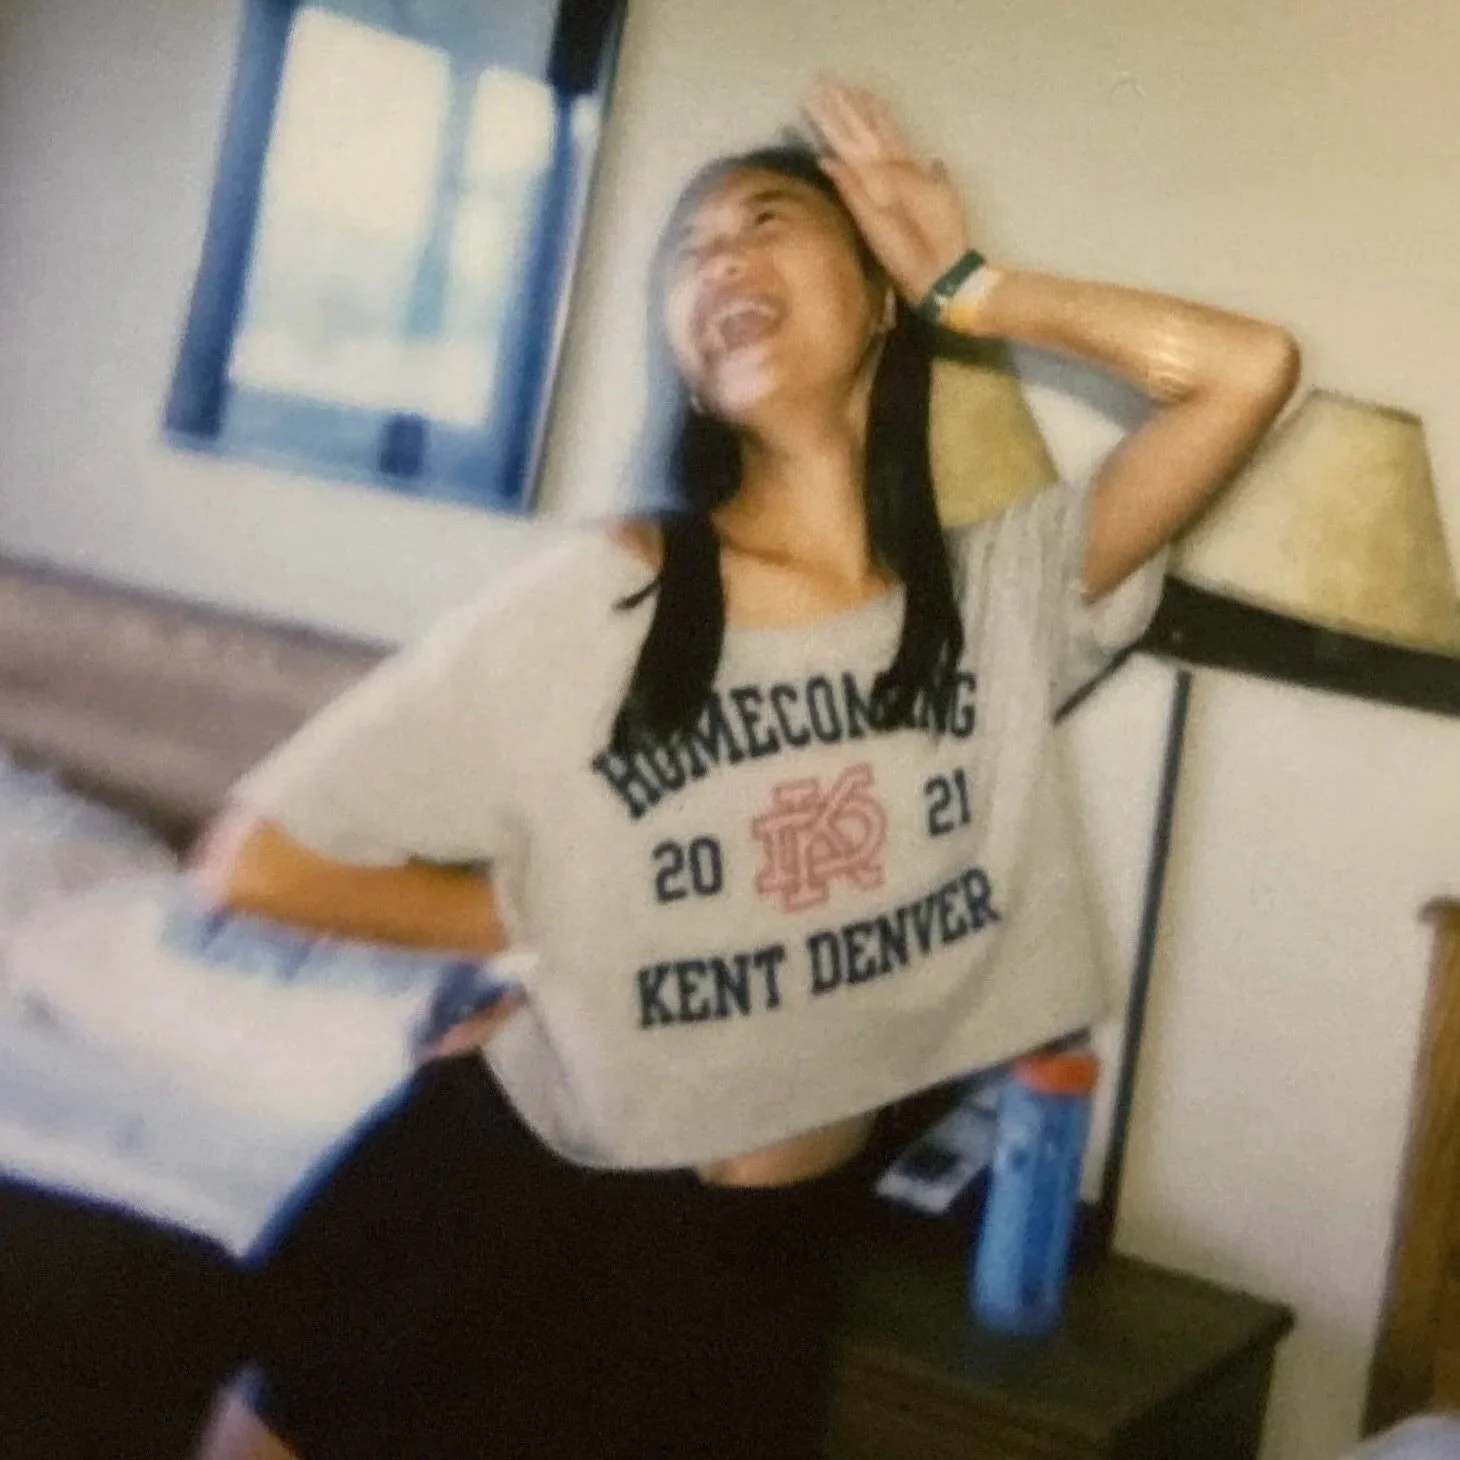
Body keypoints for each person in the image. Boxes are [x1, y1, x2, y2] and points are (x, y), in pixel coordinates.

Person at [192, 75, 1299, 1460]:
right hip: (500, 1193)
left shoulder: (1002, 599)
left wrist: (972, 282)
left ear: (881, 297)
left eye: (764, 221)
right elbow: (259, 860)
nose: (717, 257)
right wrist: (547, 925)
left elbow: (1247, 371)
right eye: (690, 250)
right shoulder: (613, 594)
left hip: (756, 1264)